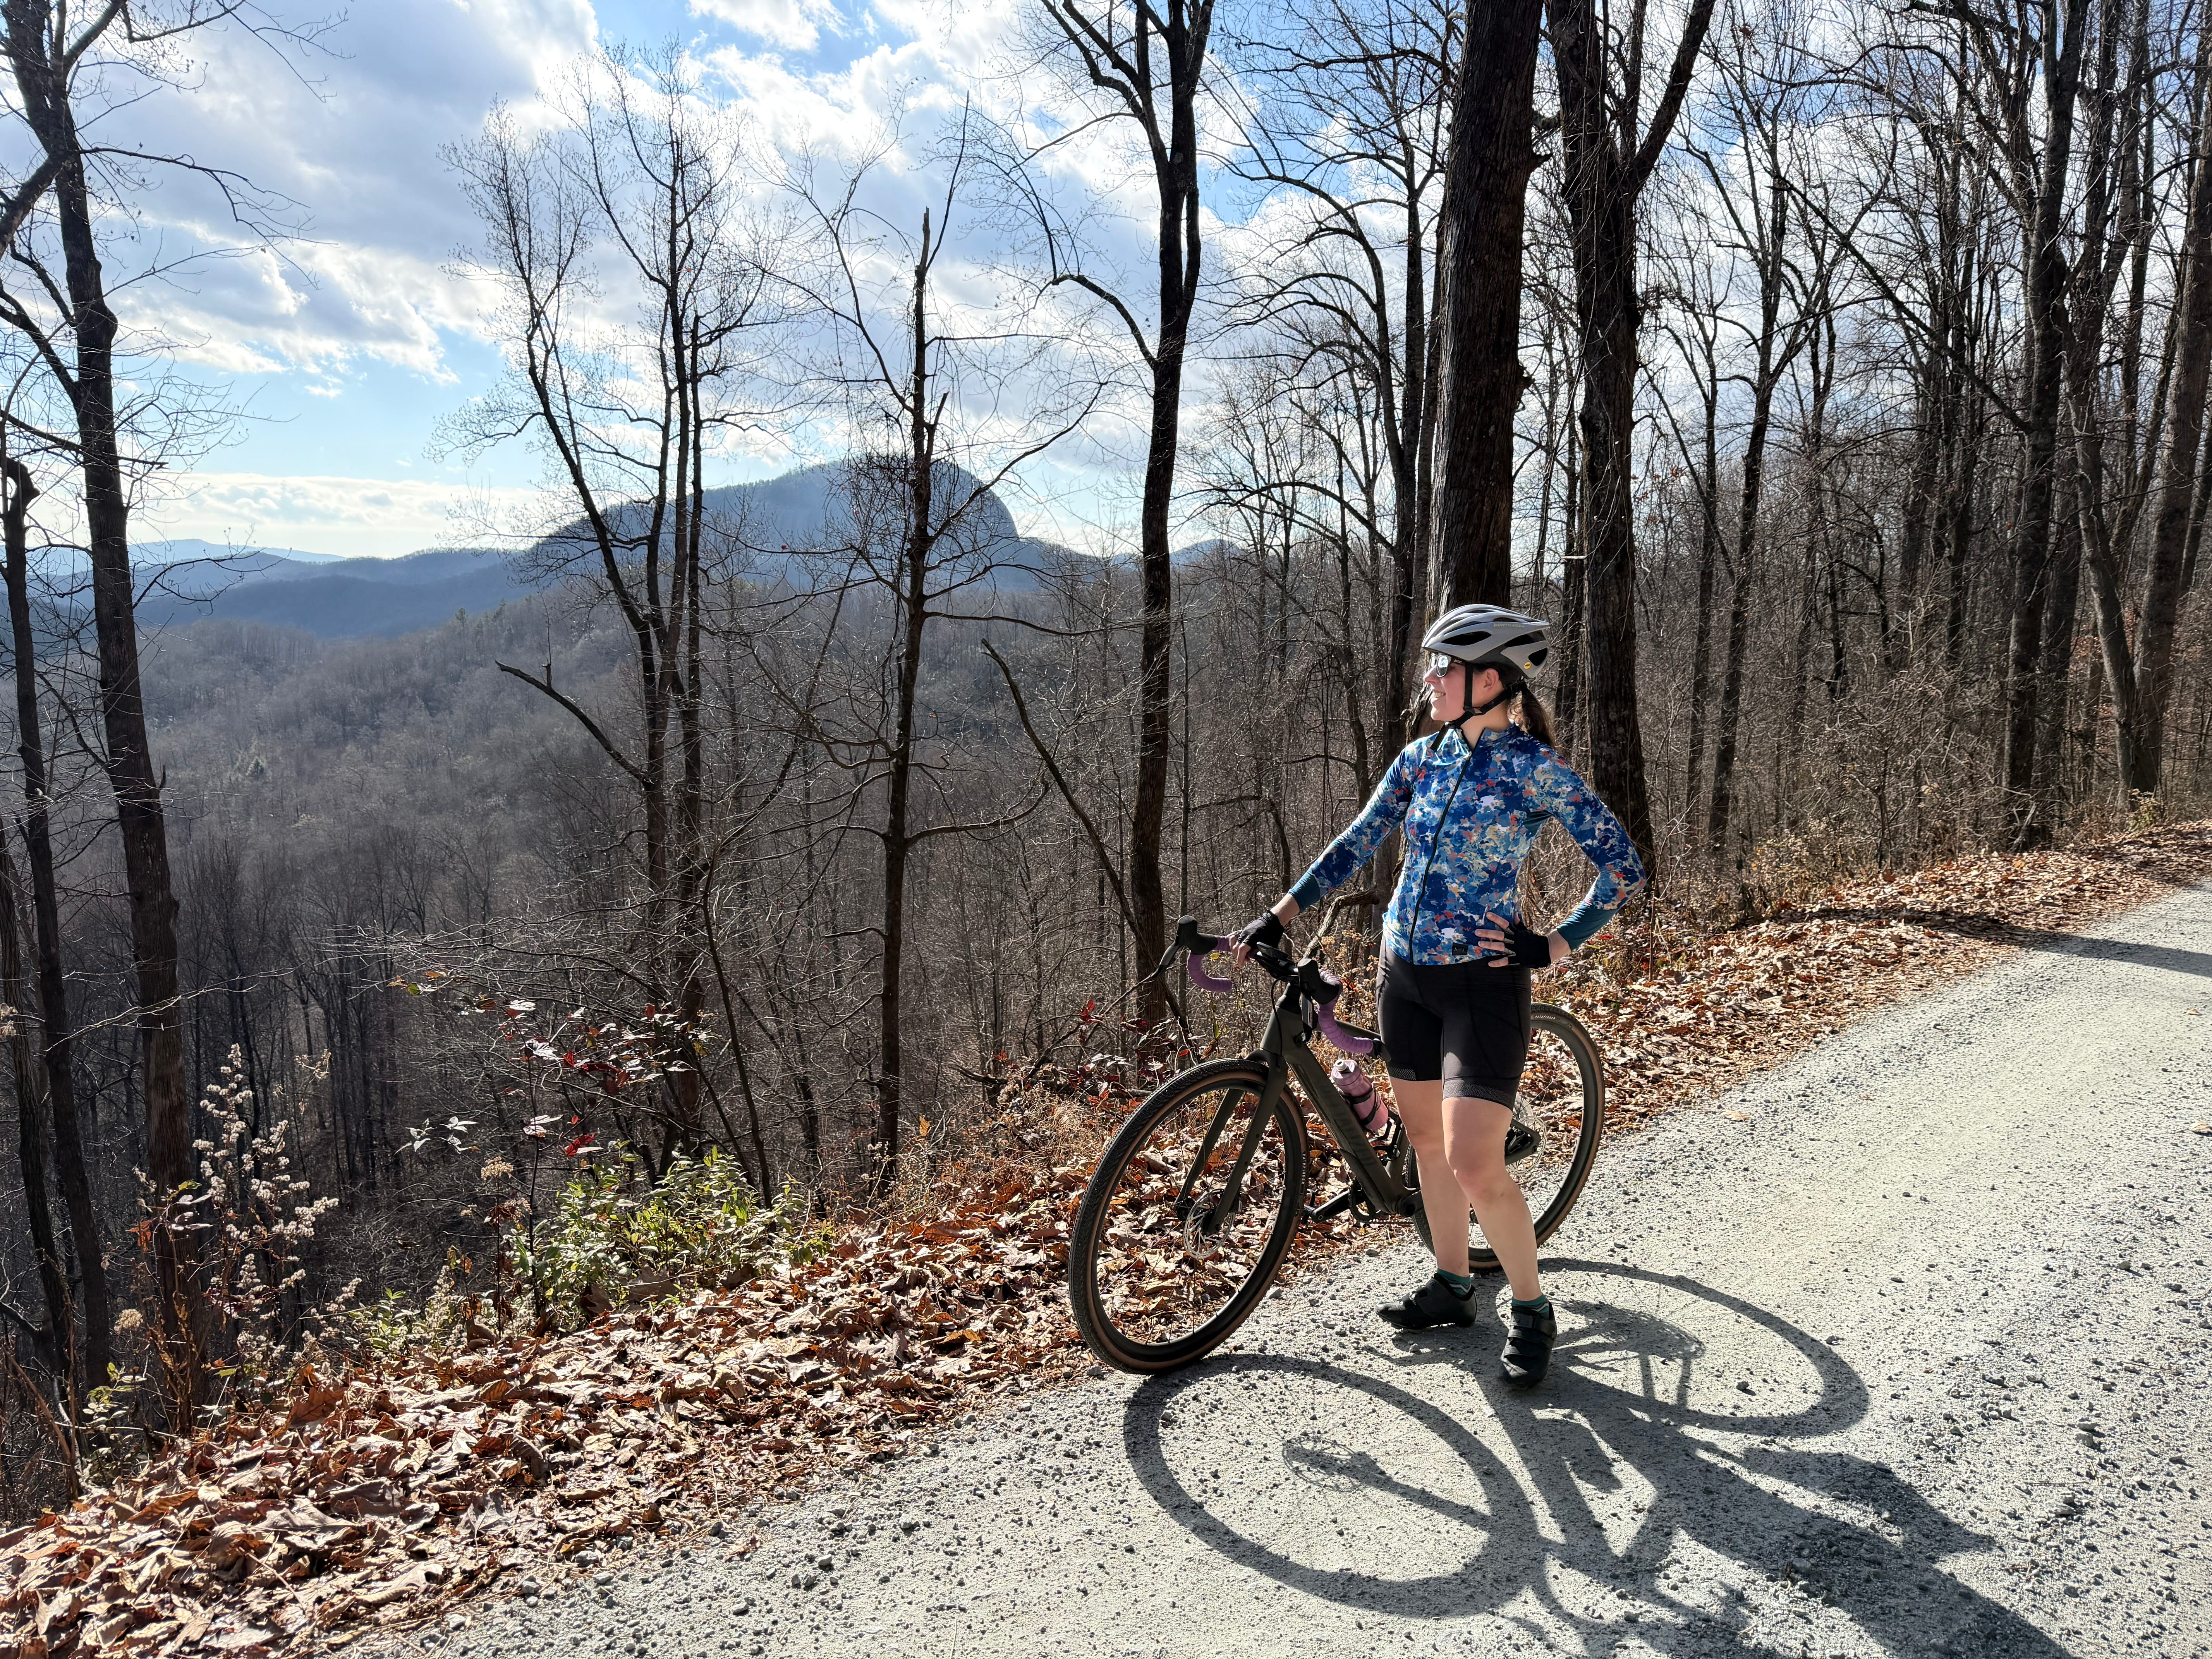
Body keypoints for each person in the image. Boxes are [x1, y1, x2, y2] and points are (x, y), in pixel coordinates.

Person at [1230, 603, 1644, 1387]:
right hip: (1405, 978)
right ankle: (1454, 1285)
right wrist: (1279, 915)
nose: (1428, 680)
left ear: (1490, 682)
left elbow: (1623, 864)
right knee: (1425, 1146)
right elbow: (1356, 841)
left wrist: (1557, 943)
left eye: (1442, 668)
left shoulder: (1533, 772)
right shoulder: (1423, 760)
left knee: (1475, 1160)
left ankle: (1531, 1309)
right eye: (1432, 666)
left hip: (1483, 988)